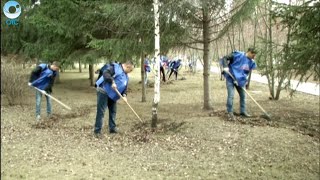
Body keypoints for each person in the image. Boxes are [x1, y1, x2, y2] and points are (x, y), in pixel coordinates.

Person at [94, 60, 134, 136]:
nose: (130, 71)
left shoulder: (126, 75)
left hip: (113, 95)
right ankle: (97, 131)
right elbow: (106, 73)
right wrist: (112, 82)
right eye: (130, 70)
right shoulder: (115, 67)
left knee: (113, 111)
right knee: (101, 111)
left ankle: (112, 128)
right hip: (104, 91)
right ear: (127, 66)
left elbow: (125, 87)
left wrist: (125, 95)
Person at [222, 48, 257, 121]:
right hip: (230, 78)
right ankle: (230, 112)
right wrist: (225, 67)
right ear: (249, 52)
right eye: (253, 55)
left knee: (243, 96)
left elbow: (246, 72)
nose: (254, 57)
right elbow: (225, 58)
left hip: (240, 81)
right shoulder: (237, 55)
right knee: (231, 95)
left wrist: (244, 81)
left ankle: (243, 112)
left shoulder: (251, 62)